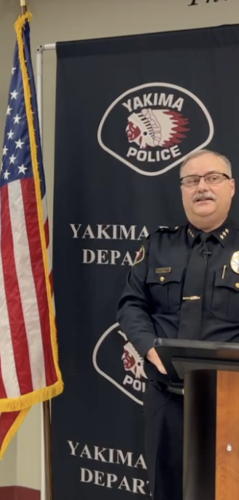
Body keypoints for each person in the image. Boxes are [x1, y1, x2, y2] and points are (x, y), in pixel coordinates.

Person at [116, 149, 238, 500]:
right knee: (165, 489)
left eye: (213, 178)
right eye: (191, 181)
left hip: (232, 400)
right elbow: (131, 304)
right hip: (167, 400)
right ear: (182, 190)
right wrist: (147, 345)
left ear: (231, 187)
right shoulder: (158, 246)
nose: (202, 188)